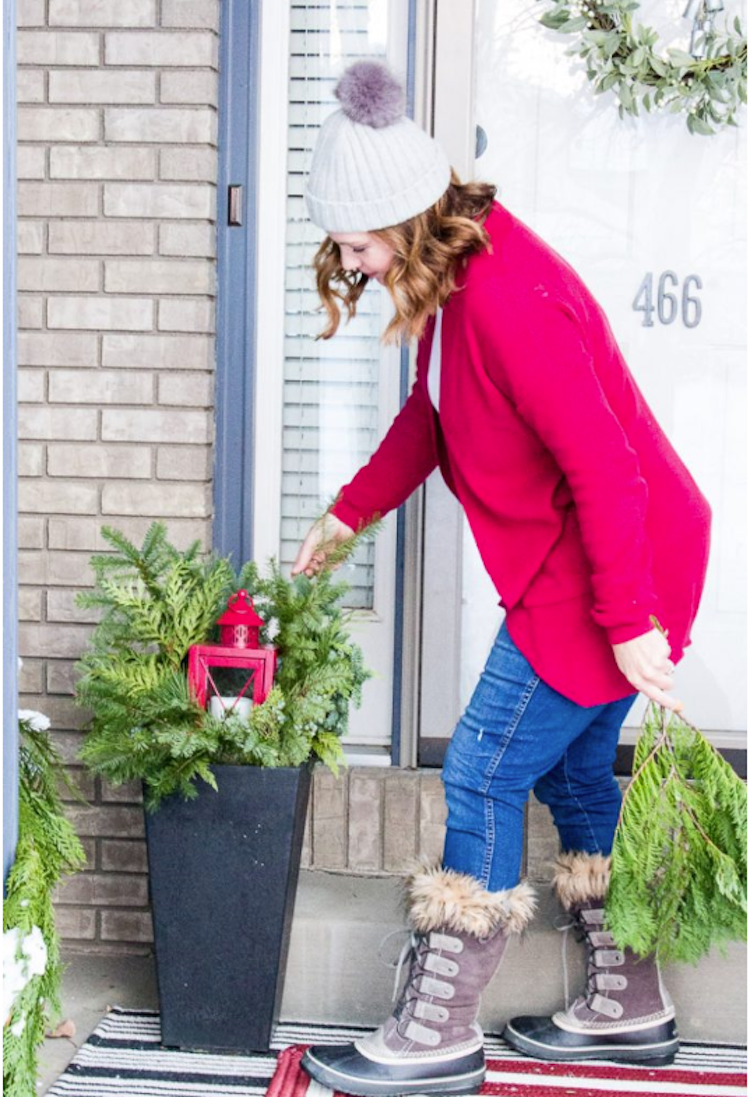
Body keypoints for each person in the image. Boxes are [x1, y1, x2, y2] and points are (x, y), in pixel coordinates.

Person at [292, 60, 711, 1097]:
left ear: (407, 212)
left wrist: (628, 623)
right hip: (597, 565)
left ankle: (438, 1028)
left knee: (481, 768)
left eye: (356, 244)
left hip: (612, 568)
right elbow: (433, 418)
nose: (349, 265)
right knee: (570, 774)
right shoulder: (451, 276)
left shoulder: (508, 300)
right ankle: (629, 1001)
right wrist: (351, 509)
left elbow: (608, 469)